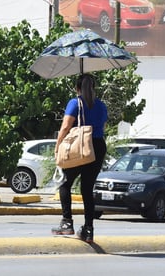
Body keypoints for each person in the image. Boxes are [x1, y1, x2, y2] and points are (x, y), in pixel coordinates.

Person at [51, 74, 108, 243]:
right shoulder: (101, 106)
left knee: (65, 183)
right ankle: (88, 228)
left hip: (79, 146)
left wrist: (57, 146)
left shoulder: (75, 103)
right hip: (97, 146)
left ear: (77, 88)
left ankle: (67, 222)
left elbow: (66, 126)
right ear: (93, 88)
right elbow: (101, 126)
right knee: (87, 189)